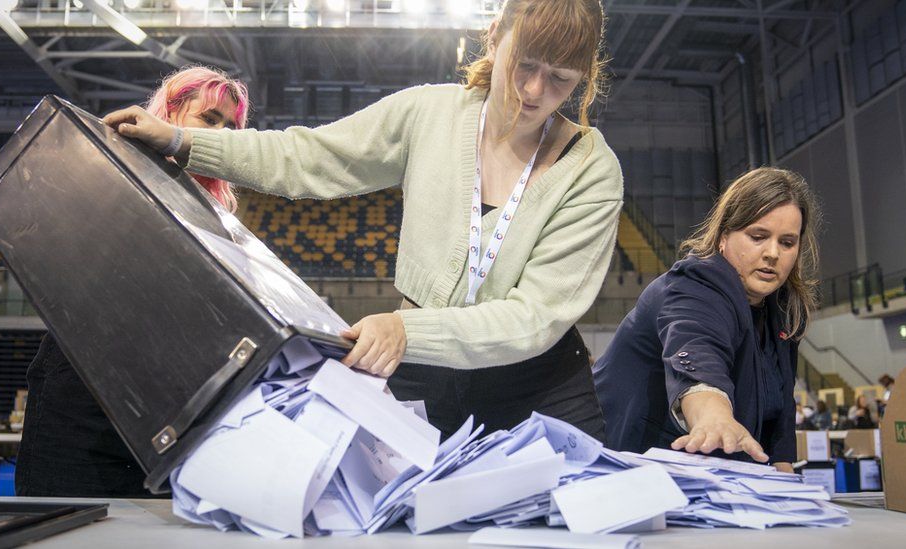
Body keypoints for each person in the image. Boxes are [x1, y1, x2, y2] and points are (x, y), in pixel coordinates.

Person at [103, 0, 622, 441]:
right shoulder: (428, 114)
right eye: (525, 65)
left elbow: (533, 317)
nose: (534, 91)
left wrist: (405, 330)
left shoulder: (591, 170)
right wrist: (181, 140)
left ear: (584, 77)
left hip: (539, 387)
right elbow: (308, 157)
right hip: (422, 374)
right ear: (494, 37)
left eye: (560, 79)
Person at [16, 66, 250, 498]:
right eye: (210, 118)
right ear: (171, 114)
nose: (224, 133)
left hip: (170, 408)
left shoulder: (218, 218)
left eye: (232, 126)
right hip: (85, 394)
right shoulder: (108, 171)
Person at [593, 167, 821, 472]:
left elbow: (779, 407)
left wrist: (785, 479)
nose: (772, 253)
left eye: (787, 242)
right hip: (625, 471)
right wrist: (714, 416)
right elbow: (697, 353)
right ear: (724, 236)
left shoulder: (783, 309)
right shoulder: (695, 285)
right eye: (758, 236)